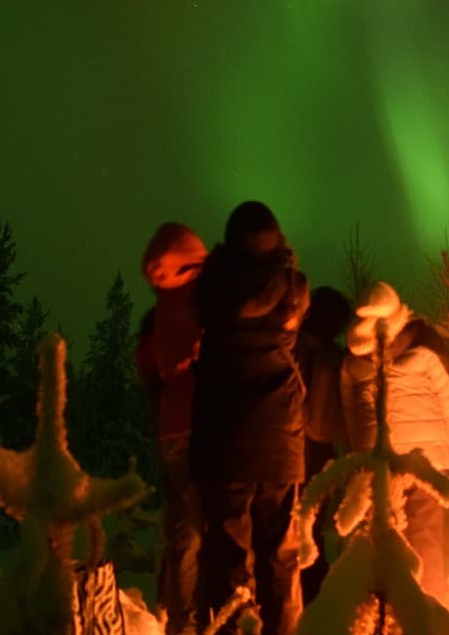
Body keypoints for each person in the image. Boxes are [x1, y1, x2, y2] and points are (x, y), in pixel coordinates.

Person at [190, 201, 310, 635]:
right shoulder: (294, 288)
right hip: (280, 439)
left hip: (224, 444)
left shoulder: (210, 290)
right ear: (277, 240)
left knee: (228, 560)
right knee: (281, 558)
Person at [340, 281, 449, 599]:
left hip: (383, 464)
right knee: (426, 539)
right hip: (428, 461)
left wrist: (361, 456)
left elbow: (352, 417)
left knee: (385, 539)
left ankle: (393, 615)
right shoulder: (425, 355)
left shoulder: (354, 366)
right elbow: (448, 404)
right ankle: (430, 611)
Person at [135, 222, 208, 635]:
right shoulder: (204, 301)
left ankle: (178, 616)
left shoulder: (156, 313)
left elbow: (147, 370)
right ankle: (196, 621)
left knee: (181, 528)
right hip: (204, 424)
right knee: (205, 530)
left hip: (170, 429)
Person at [296, 285, 352, 604]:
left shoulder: (294, 349)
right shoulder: (335, 358)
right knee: (310, 526)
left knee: (299, 527)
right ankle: (317, 598)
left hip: (296, 447)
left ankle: (308, 599)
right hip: (319, 450)